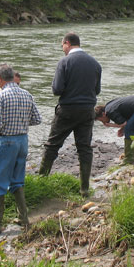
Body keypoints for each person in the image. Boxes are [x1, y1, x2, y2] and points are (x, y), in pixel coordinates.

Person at [0, 64, 42, 236]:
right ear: (12, 76)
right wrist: (21, 124)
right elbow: (37, 119)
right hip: (23, 140)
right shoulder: (27, 94)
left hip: (6, 141)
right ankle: (23, 217)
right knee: (17, 180)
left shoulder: (0, 96)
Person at [39, 33, 102, 197]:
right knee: (84, 148)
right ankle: (84, 189)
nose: (63, 49)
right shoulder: (94, 63)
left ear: (67, 43)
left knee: (52, 145)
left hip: (67, 109)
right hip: (88, 110)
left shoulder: (64, 62)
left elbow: (57, 89)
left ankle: (41, 181)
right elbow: (97, 90)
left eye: (62, 46)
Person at [94, 94, 134, 164]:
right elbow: (127, 120)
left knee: (129, 129)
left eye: (101, 120)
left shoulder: (109, 112)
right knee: (132, 128)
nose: (103, 122)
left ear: (103, 114)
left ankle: (129, 158)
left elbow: (125, 124)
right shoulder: (109, 106)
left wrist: (111, 125)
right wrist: (122, 129)